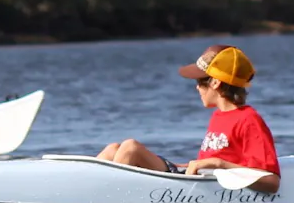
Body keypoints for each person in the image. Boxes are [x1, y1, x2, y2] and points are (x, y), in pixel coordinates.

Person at [97, 44, 281, 192]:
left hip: (203, 185)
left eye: (199, 82)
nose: (197, 88)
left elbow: (271, 181)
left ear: (215, 83)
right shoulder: (219, 116)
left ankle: (105, 199)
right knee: (113, 149)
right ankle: (83, 191)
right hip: (188, 175)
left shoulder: (249, 120)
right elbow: (202, 165)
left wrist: (219, 164)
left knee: (131, 148)